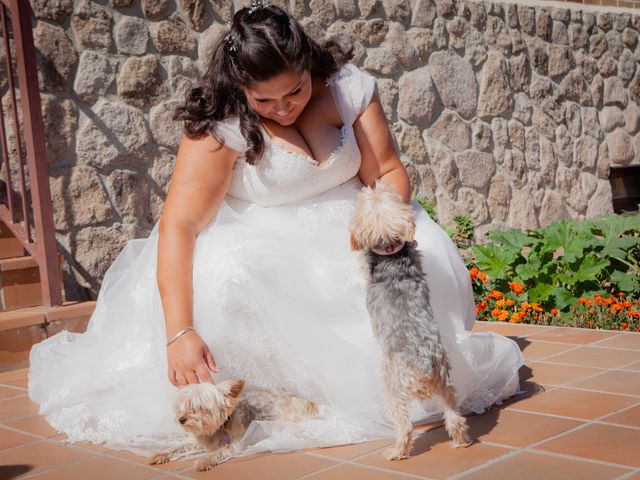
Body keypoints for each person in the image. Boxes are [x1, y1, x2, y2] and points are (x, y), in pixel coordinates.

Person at [28, 1, 524, 458]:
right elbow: (178, 225)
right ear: (241, 88)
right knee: (233, 271)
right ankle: (298, 397)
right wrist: (180, 331)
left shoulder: (347, 88)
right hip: (265, 239)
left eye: (296, 90)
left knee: (429, 245)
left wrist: (381, 222)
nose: (285, 107)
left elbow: (389, 170)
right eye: (265, 101)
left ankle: (414, 376)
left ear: (309, 64)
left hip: (356, 226)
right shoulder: (220, 125)